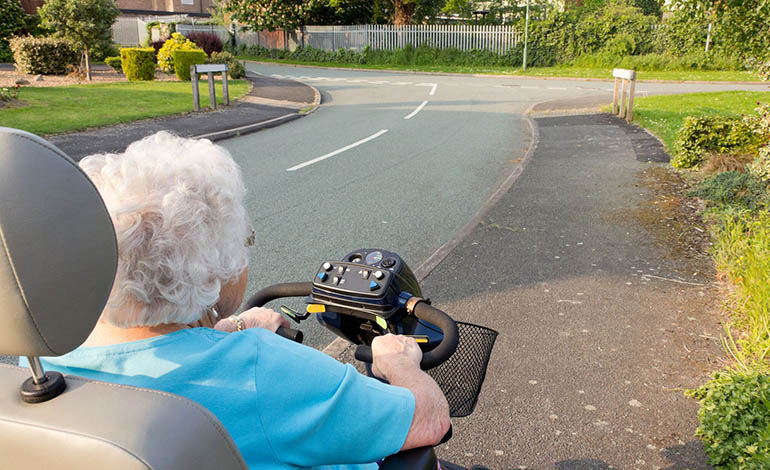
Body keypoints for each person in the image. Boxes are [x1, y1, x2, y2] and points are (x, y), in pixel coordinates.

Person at [31, 131, 450, 470]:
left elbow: (151, 352)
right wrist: (400, 366)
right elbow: (429, 420)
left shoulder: (44, 367)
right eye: (243, 240)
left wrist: (224, 331)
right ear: (211, 268)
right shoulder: (261, 370)